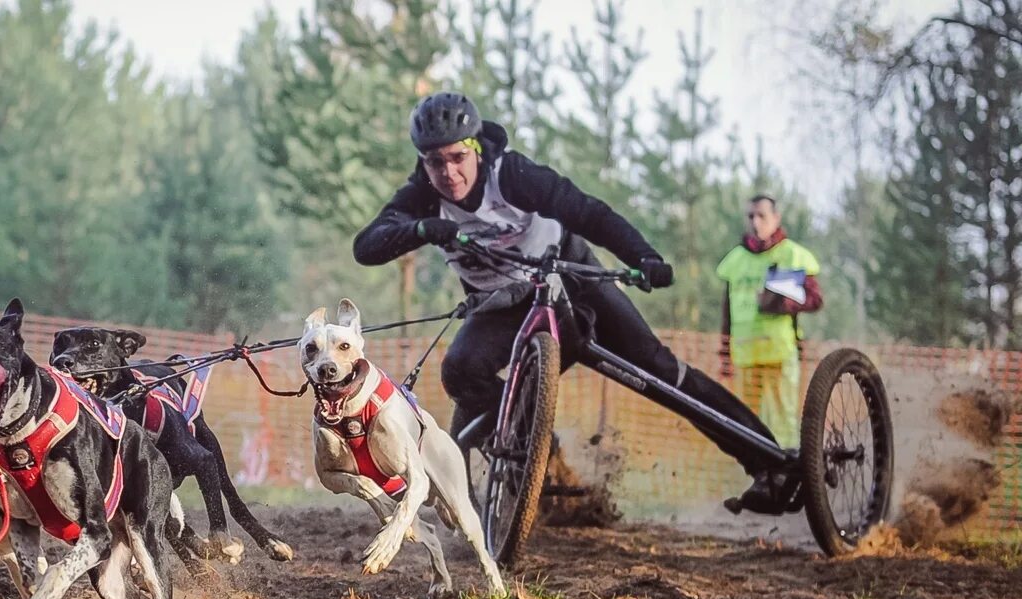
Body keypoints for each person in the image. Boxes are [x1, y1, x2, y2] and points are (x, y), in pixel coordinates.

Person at [353, 91, 788, 513]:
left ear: (476, 150)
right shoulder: (423, 195)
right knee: (460, 370)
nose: (448, 173)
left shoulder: (513, 175)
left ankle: (771, 465)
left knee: (662, 371)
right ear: (423, 163)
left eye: (457, 157)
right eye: (434, 162)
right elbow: (367, 246)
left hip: (575, 286)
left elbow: (589, 213)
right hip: (505, 307)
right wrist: (422, 229)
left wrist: (644, 257)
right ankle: (540, 452)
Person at [716, 195, 823, 448]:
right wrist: (725, 355)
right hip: (744, 356)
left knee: (782, 423)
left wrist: (783, 304)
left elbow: (816, 299)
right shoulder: (735, 260)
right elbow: (726, 314)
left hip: (780, 355)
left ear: (776, 218)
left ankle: (787, 476)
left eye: (762, 215)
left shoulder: (793, 255)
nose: (756, 222)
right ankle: (754, 476)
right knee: (745, 423)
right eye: (751, 216)